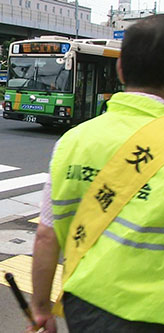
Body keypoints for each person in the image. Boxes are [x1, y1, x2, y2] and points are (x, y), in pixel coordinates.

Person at [29, 15, 164, 333]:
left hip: (87, 306)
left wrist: (40, 307)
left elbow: (47, 235)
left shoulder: (74, 140)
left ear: (119, 69)